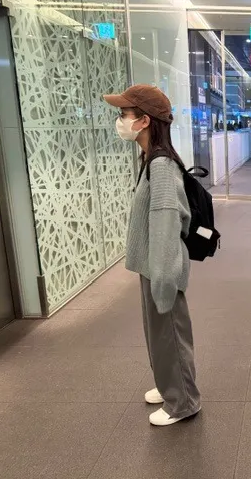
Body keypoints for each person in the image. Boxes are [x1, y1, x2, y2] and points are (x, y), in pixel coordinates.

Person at [103, 85, 201, 427]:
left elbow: (165, 225)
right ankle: (169, 384)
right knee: (159, 334)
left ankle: (183, 401)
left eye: (124, 115)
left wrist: (163, 278)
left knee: (170, 333)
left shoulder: (160, 166)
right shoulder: (150, 158)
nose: (120, 121)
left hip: (162, 266)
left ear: (144, 121)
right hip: (153, 264)